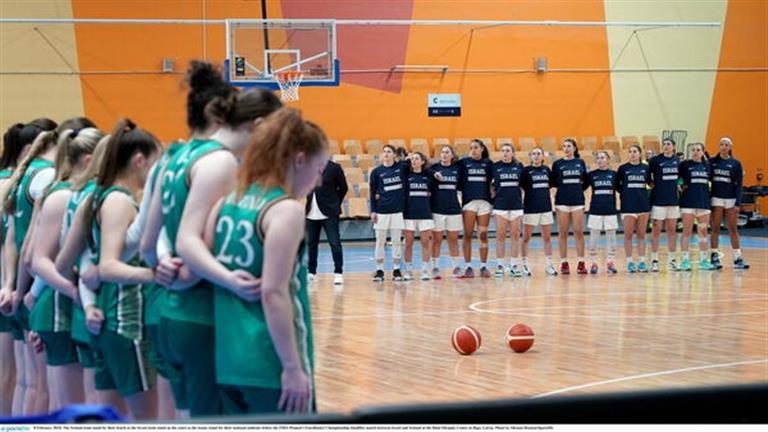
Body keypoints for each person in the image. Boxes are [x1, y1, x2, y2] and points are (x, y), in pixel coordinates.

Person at [151, 89, 281, 417]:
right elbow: (189, 241)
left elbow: (147, 239)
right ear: (259, 125)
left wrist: (163, 266)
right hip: (204, 314)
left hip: (169, 311)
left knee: (187, 417)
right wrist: (225, 279)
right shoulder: (220, 161)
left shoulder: (175, 155)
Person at [207, 107, 327, 414]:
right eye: (318, 169)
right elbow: (273, 292)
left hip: (227, 360)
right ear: (299, 160)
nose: (318, 181)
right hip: (269, 362)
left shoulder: (227, 201)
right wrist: (292, 368)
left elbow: (200, 260)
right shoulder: (285, 210)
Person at [81, 119, 162, 419]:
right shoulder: (118, 201)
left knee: (110, 418)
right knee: (145, 420)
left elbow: (88, 261)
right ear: (140, 161)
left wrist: (88, 302)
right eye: (155, 163)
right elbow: (108, 266)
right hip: (126, 323)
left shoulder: (100, 196)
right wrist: (155, 276)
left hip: (107, 320)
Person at [26, 127, 103, 409]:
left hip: (69, 303)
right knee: (72, 407)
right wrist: (73, 291)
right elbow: (36, 259)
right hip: (60, 307)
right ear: (89, 158)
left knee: (80, 403)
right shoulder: (62, 195)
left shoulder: (83, 192)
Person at [1, 118, 59, 416]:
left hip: (16, 286)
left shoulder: (18, 180)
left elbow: (15, 241)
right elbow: (26, 248)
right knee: (40, 385)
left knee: (23, 380)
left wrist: (9, 285)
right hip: (36, 289)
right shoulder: (45, 178)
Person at [305, 159, 347, 285]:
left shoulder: (334, 167)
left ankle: (338, 273)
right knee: (311, 244)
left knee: (335, 243)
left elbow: (343, 188)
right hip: (311, 212)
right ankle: (311, 272)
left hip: (329, 212)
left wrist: (335, 203)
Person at [709, 137, 749, 270]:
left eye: (726, 145)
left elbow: (739, 185)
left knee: (733, 229)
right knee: (715, 228)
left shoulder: (736, 164)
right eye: (722, 144)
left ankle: (738, 258)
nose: (724, 147)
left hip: (731, 199)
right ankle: (714, 256)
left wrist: (737, 203)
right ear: (719, 146)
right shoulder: (712, 162)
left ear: (730, 147)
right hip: (716, 198)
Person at [550, 138, 589, 274]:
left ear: (574, 148)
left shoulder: (580, 162)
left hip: (577, 201)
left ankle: (581, 263)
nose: (566, 148)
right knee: (563, 232)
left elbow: (586, 181)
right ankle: (564, 263)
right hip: (562, 202)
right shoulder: (557, 164)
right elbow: (553, 181)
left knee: (578, 231)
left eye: (569, 146)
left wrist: (577, 190)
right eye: (564, 146)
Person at [369, 145, 407, 282]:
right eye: (384, 151)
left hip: (397, 211)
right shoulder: (376, 172)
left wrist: (403, 155)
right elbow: (372, 193)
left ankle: (397, 270)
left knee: (396, 241)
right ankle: (379, 270)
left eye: (389, 152)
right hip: (382, 211)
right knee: (380, 241)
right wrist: (373, 210)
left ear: (394, 155)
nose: (385, 154)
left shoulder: (401, 168)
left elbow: (415, 162)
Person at [457, 139, 494, 278]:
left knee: (483, 235)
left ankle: (483, 266)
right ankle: (468, 266)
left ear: (482, 149)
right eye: (471, 147)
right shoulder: (464, 163)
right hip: (469, 203)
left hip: (484, 203)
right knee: (467, 234)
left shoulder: (488, 163)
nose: (473, 150)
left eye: (476, 147)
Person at [520, 147, 557, 276]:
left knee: (547, 237)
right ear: (530, 156)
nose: (536, 156)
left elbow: (550, 185)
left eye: (538, 154)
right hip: (531, 208)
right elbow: (522, 186)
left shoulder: (547, 170)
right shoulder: (526, 171)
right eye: (534, 154)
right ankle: (524, 265)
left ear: (542, 156)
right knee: (526, 237)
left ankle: (549, 265)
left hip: (545, 207)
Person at [616, 145, 652, 274]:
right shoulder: (623, 168)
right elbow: (617, 185)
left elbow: (650, 183)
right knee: (628, 235)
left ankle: (642, 262)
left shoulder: (646, 168)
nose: (632, 154)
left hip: (643, 205)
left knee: (641, 235)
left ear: (640, 153)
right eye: (630, 152)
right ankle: (630, 262)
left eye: (635, 151)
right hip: (628, 206)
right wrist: (625, 193)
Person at [678, 143, 714, 271]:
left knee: (703, 233)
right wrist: (680, 185)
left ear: (703, 152)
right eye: (693, 150)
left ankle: (704, 260)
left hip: (703, 203)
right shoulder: (685, 165)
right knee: (686, 232)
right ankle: (685, 260)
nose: (695, 152)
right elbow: (676, 178)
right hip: (688, 203)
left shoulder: (707, 166)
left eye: (698, 150)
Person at [491, 143, 524, 277]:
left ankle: (514, 265)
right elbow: (489, 184)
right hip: (500, 206)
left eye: (508, 150)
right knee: (500, 236)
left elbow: (524, 184)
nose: (505, 153)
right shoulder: (495, 167)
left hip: (516, 205)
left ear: (512, 153)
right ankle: (500, 265)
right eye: (503, 150)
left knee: (515, 235)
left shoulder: (519, 167)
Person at [430, 146, 462, 279]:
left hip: (453, 209)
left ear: (452, 155)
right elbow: (424, 169)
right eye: (442, 152)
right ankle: (435, 267)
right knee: (436, 240)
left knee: (453, 239)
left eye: (447, 152)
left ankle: (455, 267)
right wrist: (433, 173)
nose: (444, 154)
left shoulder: (457, 169)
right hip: (437, 209)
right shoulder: (434, 168)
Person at [649, 138, 681, 272]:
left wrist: (680, 185)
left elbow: (682, 177)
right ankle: (654, 260)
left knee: (672, 231)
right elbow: (647, 175)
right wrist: (652, 185)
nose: (666, 146)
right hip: (658, 201)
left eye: (668, 144)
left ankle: (672, 260)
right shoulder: (655, 160)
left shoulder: (678, 161)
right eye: (664, 144)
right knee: (656, 231)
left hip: (673, 201)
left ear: (674, 146)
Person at [402, 152, 434, 281]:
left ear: (422, 161)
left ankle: (425, 270)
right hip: (409, 214)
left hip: (425, 213)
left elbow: (433, 172)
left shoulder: (428, 176)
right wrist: (407, 160)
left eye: (416, 159)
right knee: (408, 243)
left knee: (425, 242)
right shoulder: (406, 175)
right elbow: (401, 165)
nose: (413, 161)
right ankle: (408, 270)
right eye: (412, 159)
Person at [586, 151, 618, 274]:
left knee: (612, 238)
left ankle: (610, 262)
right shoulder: (592, 175)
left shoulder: (614, 175)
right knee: (593, 238)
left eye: (602, 157)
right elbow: (581, 187)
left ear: (608, 159)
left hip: (610, 210)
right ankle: (593, 263)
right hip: (595, 210)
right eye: (598, 158)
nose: (600, 160)